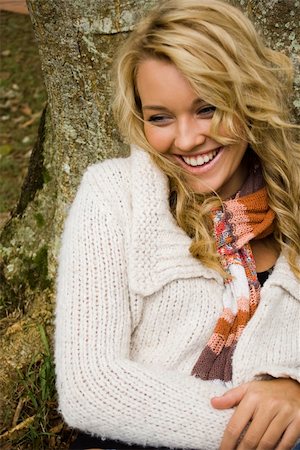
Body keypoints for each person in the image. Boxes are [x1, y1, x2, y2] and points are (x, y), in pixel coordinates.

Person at [55, 1, 300, 449]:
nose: (186, 140)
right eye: (161, 118)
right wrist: (265, 431)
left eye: (207, 108)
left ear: (246, 96)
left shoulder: (293, 203)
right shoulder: (114, 195)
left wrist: (294, 391)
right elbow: (88, 387)